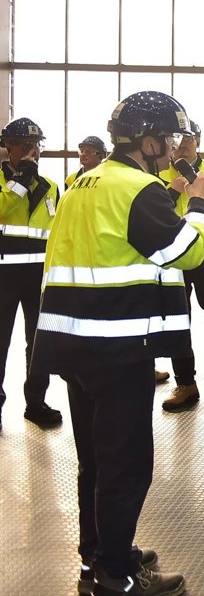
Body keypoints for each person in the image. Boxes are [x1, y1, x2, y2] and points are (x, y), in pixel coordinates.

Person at [31, 91, 204, 596]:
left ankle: (100, 554)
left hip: (75, 344)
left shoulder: (84, 183)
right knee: (127, 463)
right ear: (147, 143)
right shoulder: (138, 189)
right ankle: (116, 575)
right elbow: (186, 252)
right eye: (169, 139)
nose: (174, 148)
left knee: (95, 459)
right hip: (119, 346)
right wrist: (199, 204)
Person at [159, 121, 204, 412]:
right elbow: (151, 211)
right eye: (179, 138)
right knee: (177, 320)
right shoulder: (160, 170)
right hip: (173, 259)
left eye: (190, 138)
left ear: (198, 140)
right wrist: (174, 191)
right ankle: (185, 383)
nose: (184, 143)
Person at [0, 117, 64, 431]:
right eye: (26, 145)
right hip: (3, 276)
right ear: (8, 147)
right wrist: (20, 181)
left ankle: (36, 403)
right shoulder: (5, 183)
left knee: (39, 343)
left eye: (37, 145)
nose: (33, 151)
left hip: (38, 277)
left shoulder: (50, 186)